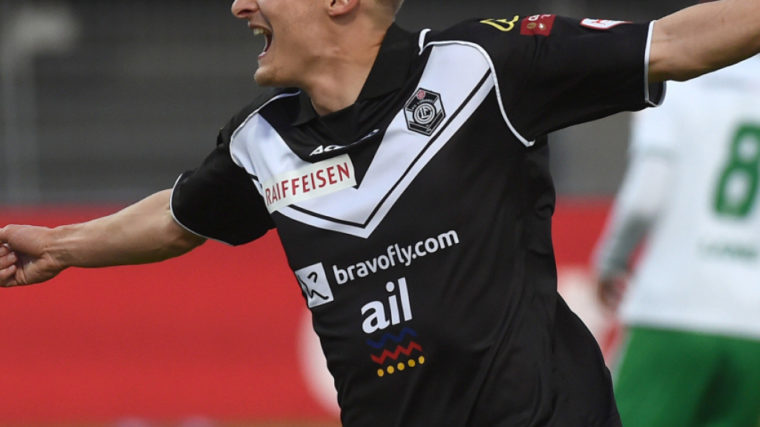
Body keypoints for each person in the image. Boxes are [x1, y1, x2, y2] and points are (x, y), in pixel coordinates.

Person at [1, 0, 760, 425]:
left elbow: (671, 44)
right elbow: (177, 220)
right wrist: (62, 246)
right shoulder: (262, 142)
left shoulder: (484, 66)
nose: (240, 5)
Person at [592, 53, 760, 427]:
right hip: (753, 326)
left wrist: (612, 260)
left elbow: (645, 196)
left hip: (675, 308)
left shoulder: (678, 79)